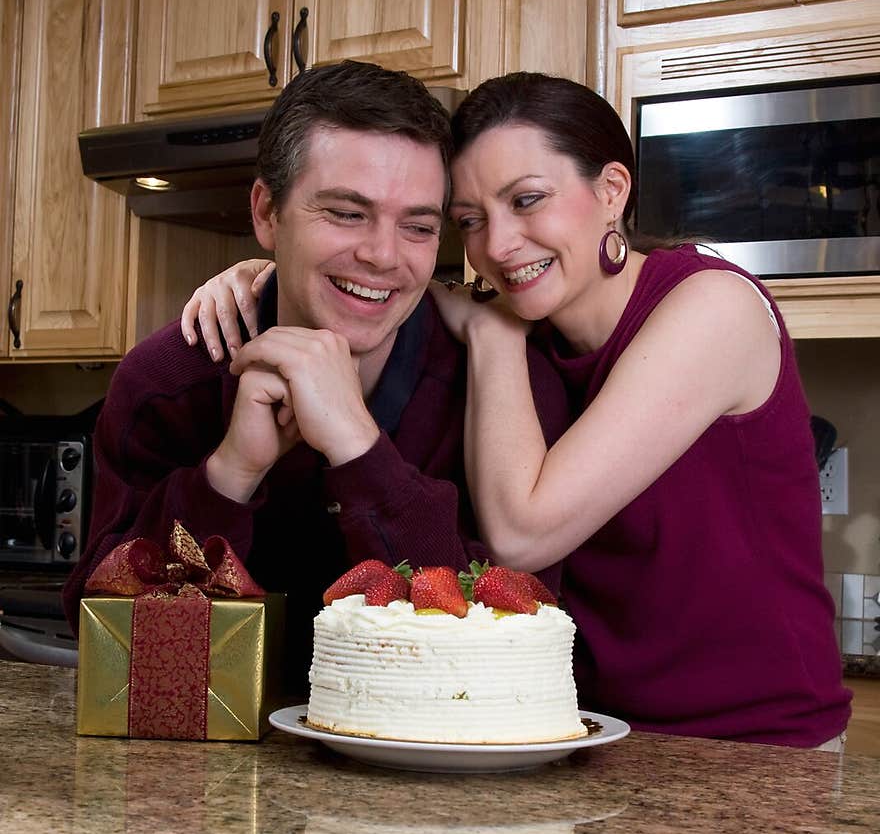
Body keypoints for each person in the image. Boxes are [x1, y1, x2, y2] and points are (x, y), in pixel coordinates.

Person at [193, 72, 851, 748]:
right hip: (588, 736)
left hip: (756, 748)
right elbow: (360, 269)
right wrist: (260, 275)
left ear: (611, 191)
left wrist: (492, 334)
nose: (498, 246)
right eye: (471, 221)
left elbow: (522, 535)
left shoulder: (713, 307)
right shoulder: (539, 326)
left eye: (528, 199)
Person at [63, 62, 569, 696]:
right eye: (347, 213)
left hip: (438, 790)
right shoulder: (167, 383)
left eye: (417, 226)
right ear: (268, 213)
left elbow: (508, 669)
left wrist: (361, 449)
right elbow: (123, 666)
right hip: (210, 784)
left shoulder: (507, 391)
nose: (383, 256)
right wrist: (229, 476)